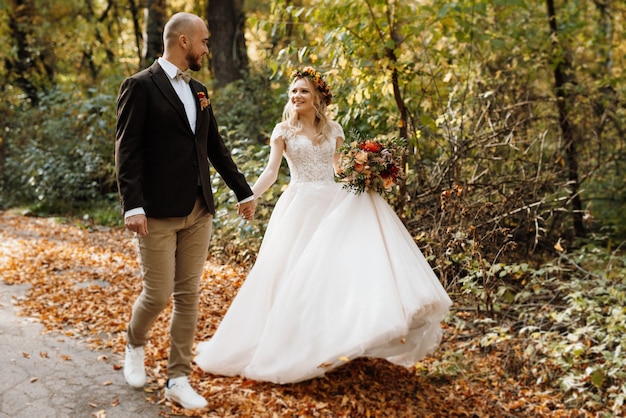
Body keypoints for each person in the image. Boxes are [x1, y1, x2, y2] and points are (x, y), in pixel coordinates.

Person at [193, 67, 452, 384]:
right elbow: (272, 172)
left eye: (302, 91)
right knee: (292, 275)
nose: (296, 96)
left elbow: (340, 170)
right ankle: (290, 345)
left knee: (330, 277)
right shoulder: (283, 131)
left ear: (317, 97)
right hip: (300, 206)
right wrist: (249, 196)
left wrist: (366, 174)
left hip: (333, 205)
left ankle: (330, 342)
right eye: (293, 91)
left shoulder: (334, 130)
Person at [115, 12, 256, 410]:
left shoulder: (199, 91)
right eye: (204, 42)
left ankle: (178, 378)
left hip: (200, 211)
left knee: (188, 295)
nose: (207, 48)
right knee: (158, 295)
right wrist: (133, 205)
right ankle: (134, 341)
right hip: (156, 212)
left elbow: (215, 147)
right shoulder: (139, 86)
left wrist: (242, 191)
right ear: (183, 42)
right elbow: (126, 151)